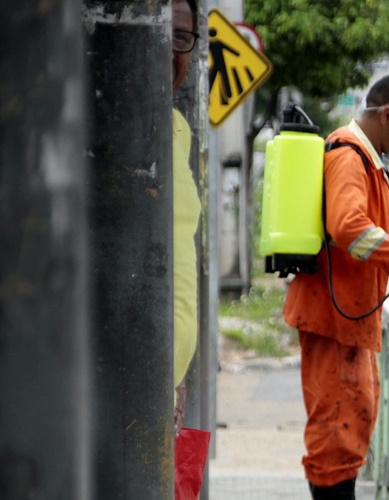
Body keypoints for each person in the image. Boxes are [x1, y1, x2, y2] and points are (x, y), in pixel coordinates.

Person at [282, 74, 389, 499]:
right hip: (334, 317)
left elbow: (348, 217)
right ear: (388, 114)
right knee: (336, 433)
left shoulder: (364, 158)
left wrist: (387, 187)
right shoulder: (349, 156)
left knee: (352, 423)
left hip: (348, 316)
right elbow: (349, 227)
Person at [171, 0, 201, 438]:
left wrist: (176, 379)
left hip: (164, 390)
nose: (166, 51)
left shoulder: (178, 127)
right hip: (113, 389)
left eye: (179, 37)